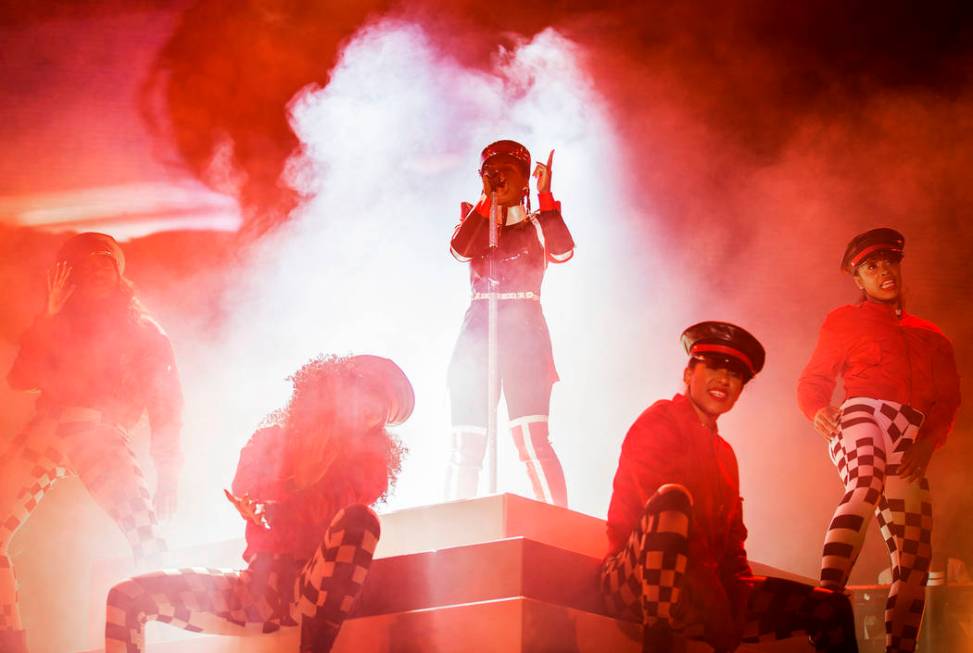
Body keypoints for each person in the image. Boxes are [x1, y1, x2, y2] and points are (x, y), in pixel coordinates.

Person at [105, 354, 413, 653]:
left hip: (314, 588)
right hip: (256, 591)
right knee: (125, 597)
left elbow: (337, 509)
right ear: (336, 389)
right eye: (365, 399)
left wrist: (284, 504)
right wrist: (259, 504)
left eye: (378, 415)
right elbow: (248, 488)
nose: (367, 414)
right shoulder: (269, 441)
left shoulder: (368, 466)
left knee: (361, 520)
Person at [602, 322, 858, 653]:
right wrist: (715, 603)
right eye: (714, 367)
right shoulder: (659, 421)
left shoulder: (725, 456)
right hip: (634, 580)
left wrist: (733, 604)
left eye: (736, 375)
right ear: (688, 373)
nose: (724, 380)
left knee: (830, 607)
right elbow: (656, 514)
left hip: (703, 592)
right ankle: (658, 641)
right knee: (672, 501)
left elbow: (734, 545)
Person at [0, 233, 182, 653]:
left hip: (96, 431)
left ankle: (155, 640)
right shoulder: (60, 322)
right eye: (88, 265)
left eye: (106, 263)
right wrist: (45, 321)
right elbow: (20, 380)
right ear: (74, 276)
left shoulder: (143, 331)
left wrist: (168, 467)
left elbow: (166, 401)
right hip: (47, 429)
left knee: (146, 538)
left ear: (119, 275)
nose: (98, 271)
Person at [797, 228, 961, 653]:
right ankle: (826, 601)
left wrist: (928, 443)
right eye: (871, 266)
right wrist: (817, 408)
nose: (883, 271)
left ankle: (899, 650)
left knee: (914, 560)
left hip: (911, 434)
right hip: (863, 414)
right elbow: (813, 379)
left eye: (889, 261)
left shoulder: (933, 334)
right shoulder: (845, 319)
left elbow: (949, 399)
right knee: (865, 482)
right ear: (858, 279)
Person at [445, 139, 574, 506]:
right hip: (477, 334)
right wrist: (486, 203)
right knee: (465, 444)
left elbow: (563, 250)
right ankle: (453, 527)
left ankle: (557, 524)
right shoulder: (474, 217)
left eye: (509, 173)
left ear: (525, 183)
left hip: (525, 336)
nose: (499, 179)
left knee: (533, 440)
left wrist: (546, 198)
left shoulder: (538, 222)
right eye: (492, 173)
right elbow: (460, 250)